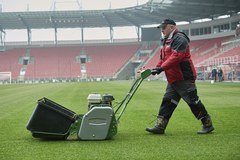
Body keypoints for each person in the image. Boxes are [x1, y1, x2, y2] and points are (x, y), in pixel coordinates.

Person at [146, 18, 214, 134]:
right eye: (161, 28)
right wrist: (156, 68)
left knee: (193, 102)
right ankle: (160, 126)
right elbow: (163, 58)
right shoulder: (165, 40)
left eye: (164, 27)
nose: (162, 30)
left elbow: (177, 57)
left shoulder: (180, 38)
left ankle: (207, 124)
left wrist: (161, 68)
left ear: (172, 27)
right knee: (167, 102)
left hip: (184, 78)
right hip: (173, 79)